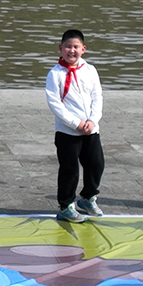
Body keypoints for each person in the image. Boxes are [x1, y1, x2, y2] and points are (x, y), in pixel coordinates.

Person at [45, 30, 105, 224]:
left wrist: (92, 121)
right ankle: (65, 206)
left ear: (83, 49)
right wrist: (75, 123)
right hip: (67, 131)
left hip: (90, 129)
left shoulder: (90, 70)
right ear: (60, 48)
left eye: (76, 47)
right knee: (70, 170)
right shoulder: (55, 74)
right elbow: (55, 104)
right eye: (68, 47)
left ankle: (88, 198)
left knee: (96, 164)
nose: (72, 51)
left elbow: (97, 97)